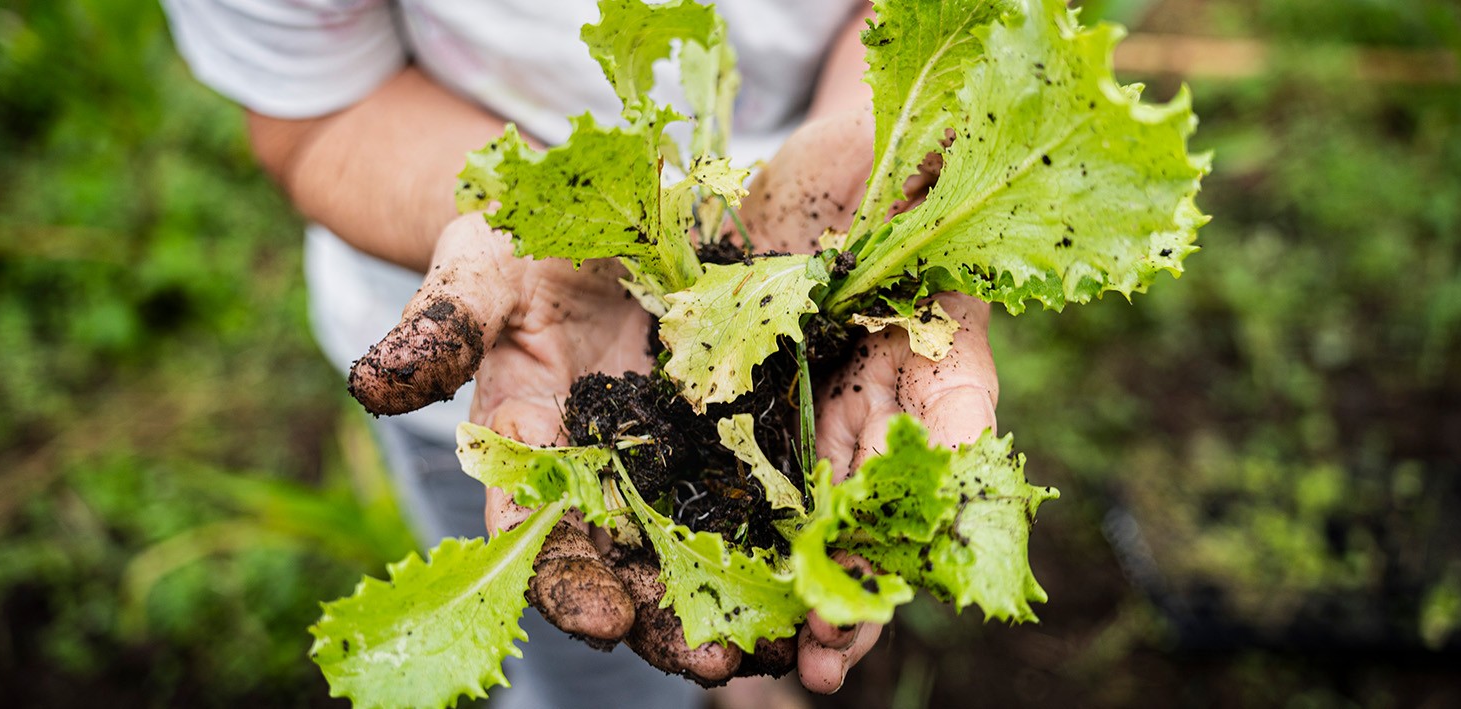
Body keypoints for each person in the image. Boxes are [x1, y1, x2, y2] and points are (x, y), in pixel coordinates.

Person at [160, 1, 1000, 706]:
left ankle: (737, 668)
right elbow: (316, 119)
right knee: (591, 646)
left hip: (812, 210)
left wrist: (879, 152)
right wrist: (527, 217)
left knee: (765, 595)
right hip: (506, 370)